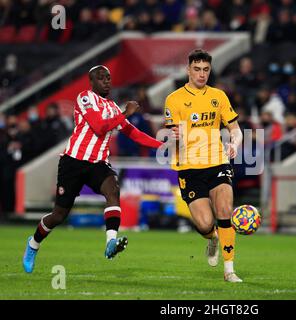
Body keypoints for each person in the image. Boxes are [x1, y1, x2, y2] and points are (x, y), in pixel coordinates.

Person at [23, 65, 163, 273]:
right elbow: (99, 127)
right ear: (92, 82)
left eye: (108, 77)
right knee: (59, 215)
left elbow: (134, 134)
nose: (106, 80)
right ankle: (33, 244)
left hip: (98, 163)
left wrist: (163, 146)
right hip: (74, 162)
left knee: (113, 191)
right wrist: (126, 112)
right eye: (101, 77)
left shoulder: (113, 107)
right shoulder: (85, 98)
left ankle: (110, 242)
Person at [164, 49, 243, 282]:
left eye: (206, 70)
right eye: (197, 69)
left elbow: (235, 129)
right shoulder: (174, 99)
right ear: (188, 70)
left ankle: (229, 270)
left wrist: (235, 144)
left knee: (225, 211)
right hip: (188, 167)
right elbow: (170, 134)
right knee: (205, 224)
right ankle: (212, 238)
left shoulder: (219, 96)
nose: (201, 74)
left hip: (217, 161)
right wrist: (174, 136)